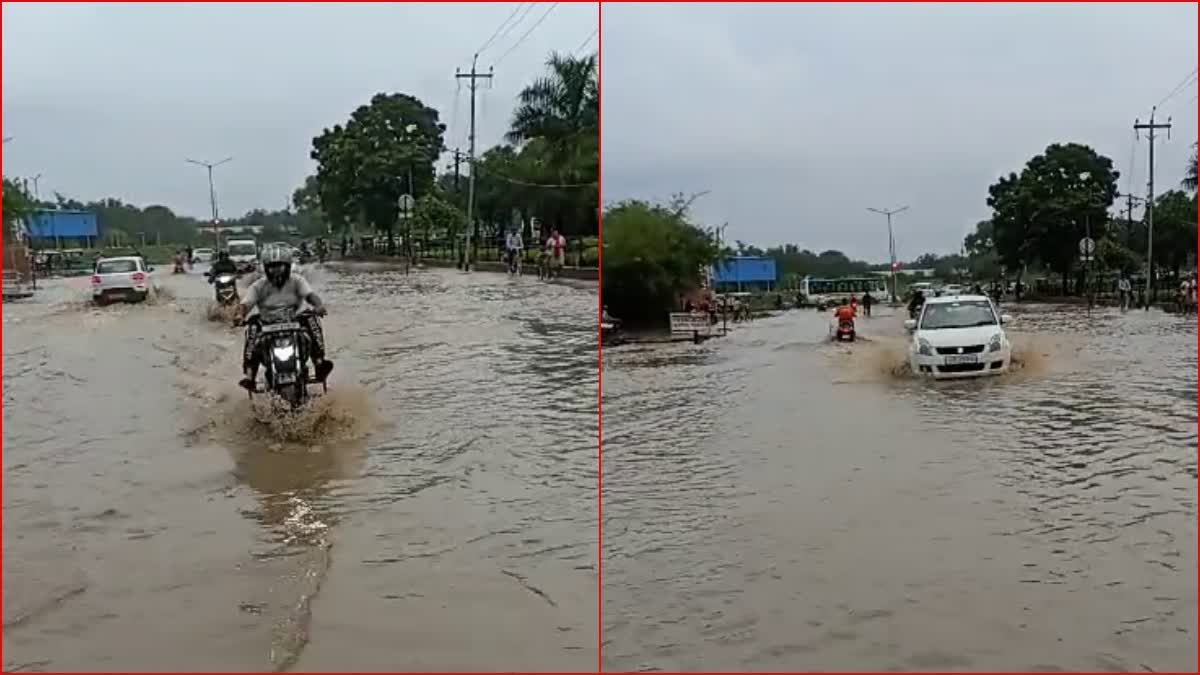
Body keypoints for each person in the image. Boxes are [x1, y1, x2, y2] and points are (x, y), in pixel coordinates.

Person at [236, 246, 332, 392]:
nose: (276, 271)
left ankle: (319, 363)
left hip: (295, 322)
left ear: (287, 266)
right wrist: (239, 315)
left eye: (280, 266)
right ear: (266, 268)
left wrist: (318, 306)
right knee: (252, 328)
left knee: (312, 320)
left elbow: (310, 295)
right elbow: (246, 304)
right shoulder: (258, 286)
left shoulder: (297, 280)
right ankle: (250, 377)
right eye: (272, 267)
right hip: (267, 325)